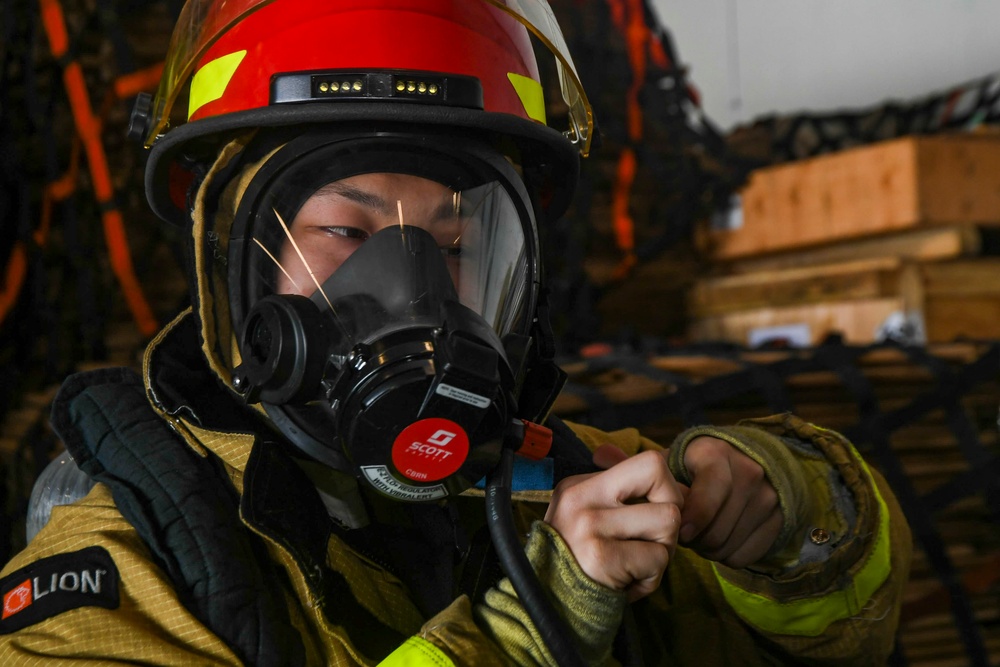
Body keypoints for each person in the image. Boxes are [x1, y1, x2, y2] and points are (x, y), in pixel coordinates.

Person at [0, 1, 910, 664]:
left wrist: (791, 513)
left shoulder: (575, 486)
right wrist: (533, 628)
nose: (412, 288)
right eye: (347, 235)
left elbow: (847, 640)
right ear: (229, 265)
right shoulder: (125, 565)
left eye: (456, 240)